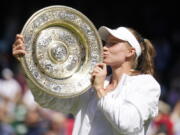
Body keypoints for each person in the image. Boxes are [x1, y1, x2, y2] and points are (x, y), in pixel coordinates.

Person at [12, 26, 161, 135]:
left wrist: (100, 90)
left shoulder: (146, 84)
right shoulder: (94, 83)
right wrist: (27, 65)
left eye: (112, 43)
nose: (105, 48)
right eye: (105, 43)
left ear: (130, 52)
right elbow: (48, 100)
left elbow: (128, 125)